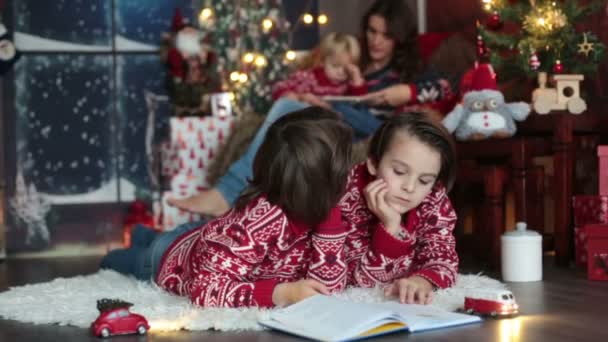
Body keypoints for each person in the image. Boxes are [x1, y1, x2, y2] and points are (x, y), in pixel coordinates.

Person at [168, 0, 455, 217]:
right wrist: (308, 98)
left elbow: (446, 87)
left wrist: (405, 91)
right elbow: (313, 81)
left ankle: (226, 193)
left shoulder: (408, 70)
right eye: (372, 31)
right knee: (288, 105)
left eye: (386, 35)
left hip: (376, 130)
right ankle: (250, 213)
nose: (376, 40)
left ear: (400, 38)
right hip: (337, 120)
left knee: (288, 107)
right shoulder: (352, 60)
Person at [101, 107, 353, 308]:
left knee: (179, 239)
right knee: (131, 260)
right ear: (320, 183)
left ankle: (142, 234)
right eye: (344, 170)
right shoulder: (259, 224)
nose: (350, 175)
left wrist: (330, 218)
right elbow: (205, 289)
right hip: (169, 259)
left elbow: (326, 288)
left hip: (210, 238)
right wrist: (281, 293)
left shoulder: (325, 209)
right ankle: (118, 252)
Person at [341, 112, 459, 305]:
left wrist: (422, 280)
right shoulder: (343, 196)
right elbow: (358, 283)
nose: (410, 188)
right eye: (399, 172)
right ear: (373, 163)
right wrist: (391, 227)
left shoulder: (433, 196)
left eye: (424, 180)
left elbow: (444, 259)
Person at [272, 32, 367, 104]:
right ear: (322, 61)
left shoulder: (349, 83)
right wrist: (297, 96)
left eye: (346, 68)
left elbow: (360, 102)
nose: (340, 72)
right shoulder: (309, 77)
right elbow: (279, 88)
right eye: (335, 66)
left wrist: (356, 78)